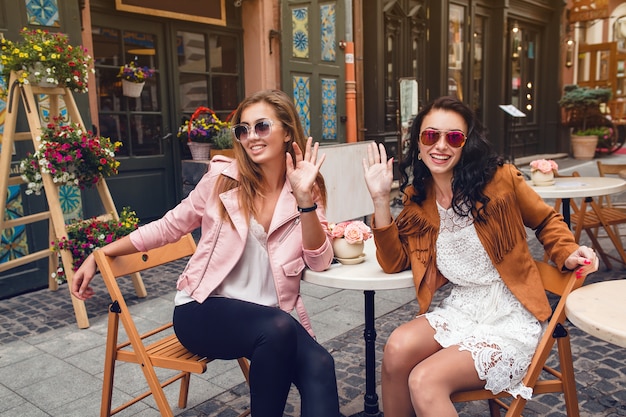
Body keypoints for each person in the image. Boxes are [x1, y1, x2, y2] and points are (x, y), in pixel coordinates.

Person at [71, 89, 341, 417]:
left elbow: (320, 260)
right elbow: (168, 227)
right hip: (202, 310)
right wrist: (98, 256)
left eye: (262, 127)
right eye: (243, 130)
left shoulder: (307, 187)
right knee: (278, 330)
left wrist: (303, 200)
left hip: (269, 317)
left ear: (287, 131)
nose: (251, 137)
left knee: (321, 364)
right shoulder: (221, 180)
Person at [362, 96, 599, 417]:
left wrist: (568, 252)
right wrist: (379, 199)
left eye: (454, 137)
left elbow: (545, 220)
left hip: (510, 313)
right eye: (431, 135)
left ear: (465, 144)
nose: (441, 145)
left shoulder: (500, 179)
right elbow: (393, 262)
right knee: (395, 349)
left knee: (424, 380)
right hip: (462, 307)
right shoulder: (418, 198)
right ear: (418, 142)